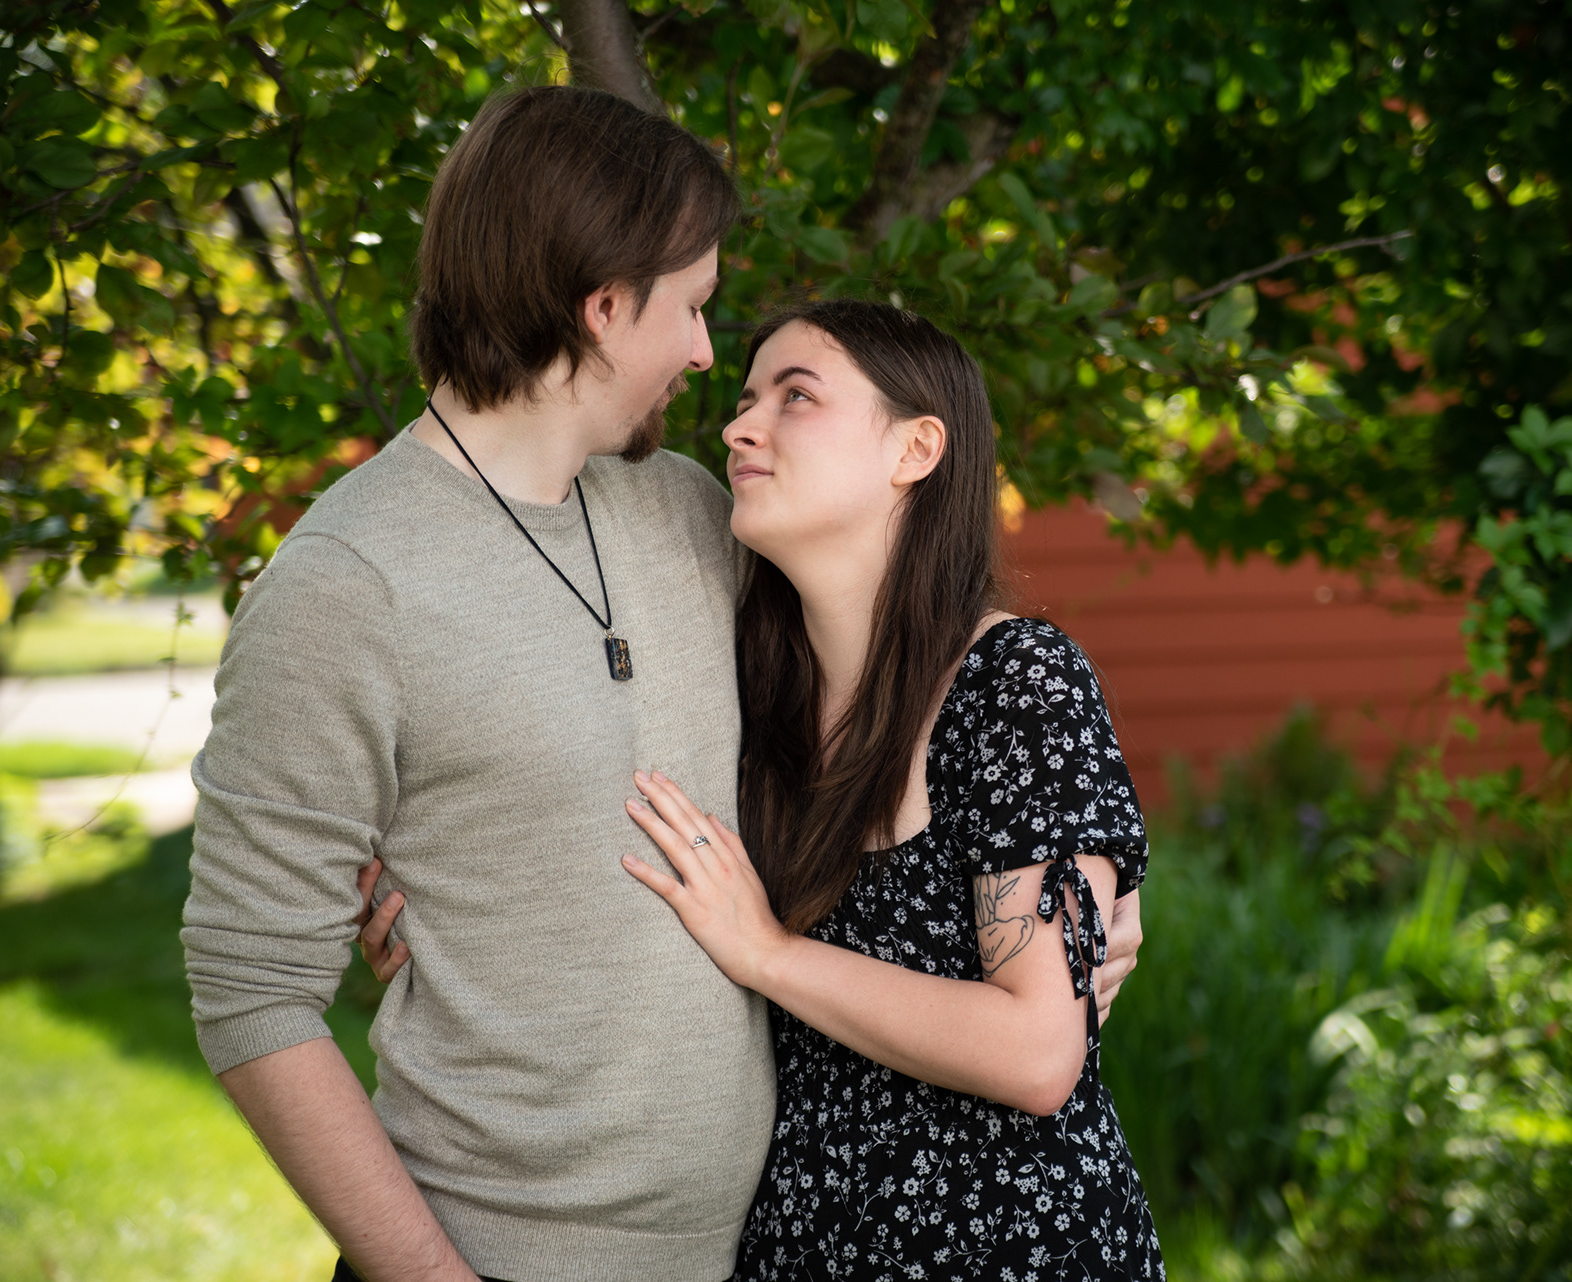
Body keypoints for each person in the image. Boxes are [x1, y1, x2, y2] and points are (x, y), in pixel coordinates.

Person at [183, 84, 1143, 1282]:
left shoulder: (692, 518)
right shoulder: (346, 583)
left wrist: (1081, 907)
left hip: (753, 1253)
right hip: (502, 1253)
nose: (703, 354)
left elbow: (916, 711)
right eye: (691, 306)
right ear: (602, 305)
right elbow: (251, 987)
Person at [618, 300, 1163, 1279]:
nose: (741, 428)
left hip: (1008, 1250)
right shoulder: (747, 694)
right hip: (802, 1247)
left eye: (796, 397)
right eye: (744, 400)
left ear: (915, 448)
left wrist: (770, 954)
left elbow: (1039, 1053)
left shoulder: (1014, 682)